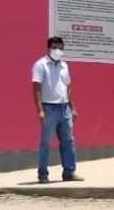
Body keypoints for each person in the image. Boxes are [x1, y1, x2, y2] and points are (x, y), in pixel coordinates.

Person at [31, 36, 83, 183]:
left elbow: (68, 88)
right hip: (49, 108)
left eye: (60, 48)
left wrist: (73, 108)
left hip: (64, 108)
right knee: (45, 143)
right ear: (48, 48)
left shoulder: (64, 66)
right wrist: (40, 110)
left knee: (68, 142)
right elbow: (36, 89)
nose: (58, 51)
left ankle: (69, 172)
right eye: (55, 47)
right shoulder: (41, 65)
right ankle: (43, 174)